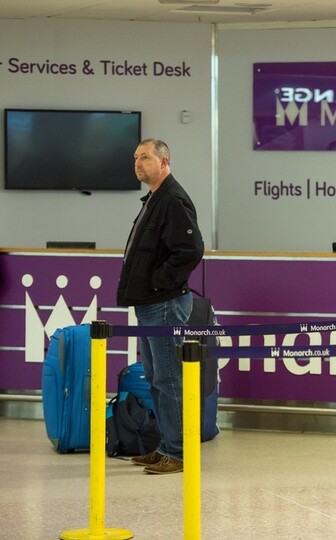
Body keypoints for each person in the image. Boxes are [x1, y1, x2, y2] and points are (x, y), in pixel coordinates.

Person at [117, 138, 204, 474]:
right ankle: (166, 446)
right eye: (135, 157)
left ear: (164, 162)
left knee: (169, 380)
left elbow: (191, 250)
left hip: (164, 303)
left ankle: (178, 453)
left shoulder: (173, 199)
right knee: (155, 378)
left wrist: (158, 282)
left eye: (145, 157)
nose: (137, 163)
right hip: (149, 303)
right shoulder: (154, 199)